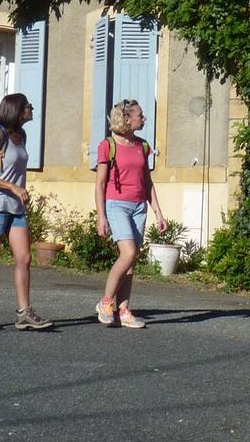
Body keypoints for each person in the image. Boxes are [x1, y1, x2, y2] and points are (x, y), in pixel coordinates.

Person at [0, 92, 53, 330]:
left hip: (15, 206)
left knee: (24, 258)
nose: (31, 109)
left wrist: (17, 192)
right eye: (28, 106)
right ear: (17, 110)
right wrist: (13, 187)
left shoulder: (21, 135)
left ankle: (24, 312)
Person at [94, 98, 166, 328]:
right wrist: (101, 216)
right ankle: (106, 302)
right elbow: (100, 184)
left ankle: (123, 309)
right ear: (126, 119)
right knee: (128, 253)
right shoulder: (108, 145)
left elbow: (147, 182)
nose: (143, 118)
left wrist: (158, 213)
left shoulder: (142, 146)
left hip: (138, 207)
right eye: (140, 115)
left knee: (131, 261)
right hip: (116, 204)